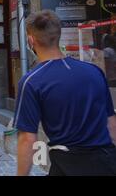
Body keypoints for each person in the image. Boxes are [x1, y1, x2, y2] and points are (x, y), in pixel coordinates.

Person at [15, 10, 116, 176]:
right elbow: (111, 124)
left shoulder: (32, 81)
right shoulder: (94, 72)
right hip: (105, 161)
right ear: (58, 36)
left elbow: (27, 138)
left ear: (31, 40)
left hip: (68, 164)